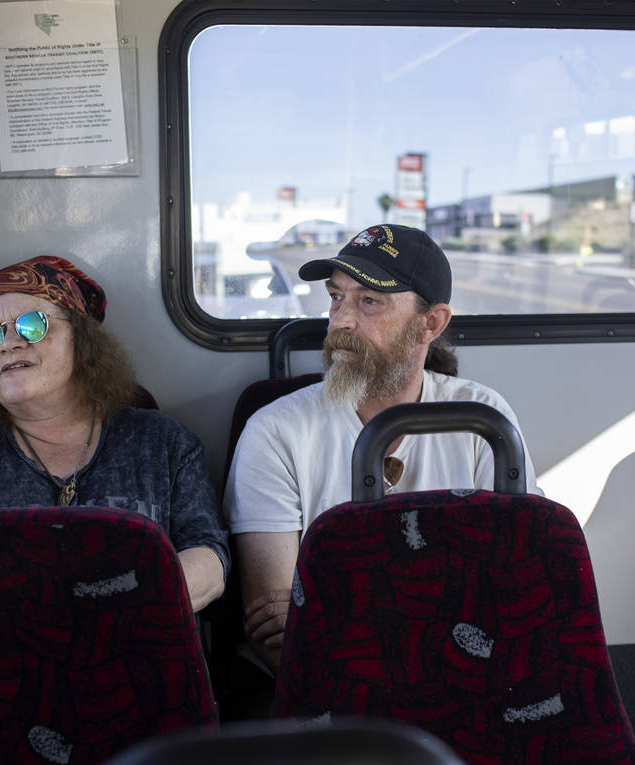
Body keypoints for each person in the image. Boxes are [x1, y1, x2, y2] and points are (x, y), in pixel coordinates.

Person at [224, 224, 541, 672]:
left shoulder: (482, 417)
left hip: (457, 678)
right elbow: (275, 633)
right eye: (336, 297)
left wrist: (337, 610)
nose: (341, 321)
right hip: (326, 684)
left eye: (369, 301)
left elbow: (518, 582)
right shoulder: (276, 431)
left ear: (431, 324)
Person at [0, 255, 228, 612]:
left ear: (82, 340)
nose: (8, 343)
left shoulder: (163, 443)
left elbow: (209, 559)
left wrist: (114, 606)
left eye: (31, 326)